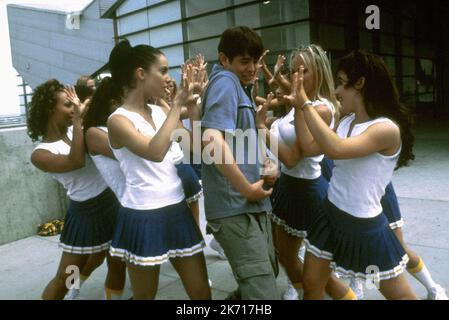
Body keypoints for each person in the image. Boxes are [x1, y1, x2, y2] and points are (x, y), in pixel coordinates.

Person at [294, 50, 418, 300]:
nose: (337, 91)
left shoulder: (386, 129)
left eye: (341, 82)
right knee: (311, 282)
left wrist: (305, 103)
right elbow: (308, 148)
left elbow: (336, 149)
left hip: (363, 226)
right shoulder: (345, 122)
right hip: (329, 214)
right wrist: (298, 107)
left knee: (401, 297)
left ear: (360, 83)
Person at [106, 40, 210, 300]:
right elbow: (155, 151)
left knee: (202, 294)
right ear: (141, 74)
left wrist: (194, 105)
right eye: (162, 71)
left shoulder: (160, 109)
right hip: (141, 216)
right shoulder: (117, 120)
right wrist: (176, 104)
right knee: (145, 296)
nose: (168, 78)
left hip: (177, 208)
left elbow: (195, 146)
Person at [256, 45, 356, 300]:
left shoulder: (319, 108)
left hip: (308, 192)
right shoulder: (300, 100)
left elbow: (291, 158)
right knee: (286, 257)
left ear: (319, 72)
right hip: (288, 189)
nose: (297, 76)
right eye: (293, 70)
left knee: (321, 276)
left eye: (304, 70)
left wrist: (261, 129)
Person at [201, 26, 279, 300]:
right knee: (263, 292)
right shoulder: (226, 82)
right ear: (224, 59)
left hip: (247, 203)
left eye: (255, 61)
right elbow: (211, 140)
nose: (252, 68)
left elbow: (238, 141)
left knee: (263, 279)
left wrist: (267, 162)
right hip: (236, 205)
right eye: (244, 61)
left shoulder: (236, 86)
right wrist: (247, 188)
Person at [27, 80, 118, 300]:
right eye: (67, 105)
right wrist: (78, 121)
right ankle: (71, 287)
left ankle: (83, 288)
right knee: (66, 276)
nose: (72, 109)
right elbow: (75, 161)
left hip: (110, 202)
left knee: (114, 263)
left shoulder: (77, 129)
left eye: (73, 105)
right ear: (50, 109)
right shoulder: (41, 153)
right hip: (86, 213)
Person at [320, 158, 448, 300]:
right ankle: (357, 282)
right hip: (349, 202)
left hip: (376, 195)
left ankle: (433, 287)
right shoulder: (327, 153)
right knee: (357, 251)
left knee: (399, 249)